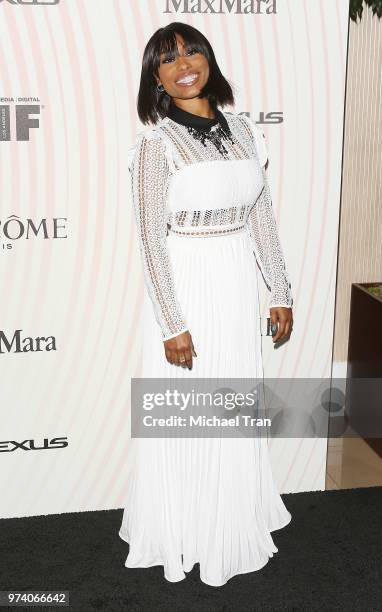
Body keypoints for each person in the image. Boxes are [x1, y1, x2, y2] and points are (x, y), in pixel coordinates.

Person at [119, 21, 294, 587]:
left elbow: (261, 218)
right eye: (167, 60)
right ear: (156, 79)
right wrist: (173, 323)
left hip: (236, 284)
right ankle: (186, 530)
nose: (183, 64)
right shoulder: (155, 145)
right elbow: (150, 239)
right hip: (188, 289)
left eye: (192, 51)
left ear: (209, 60)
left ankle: (232, 520)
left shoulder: (244, 129)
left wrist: (280, 290)